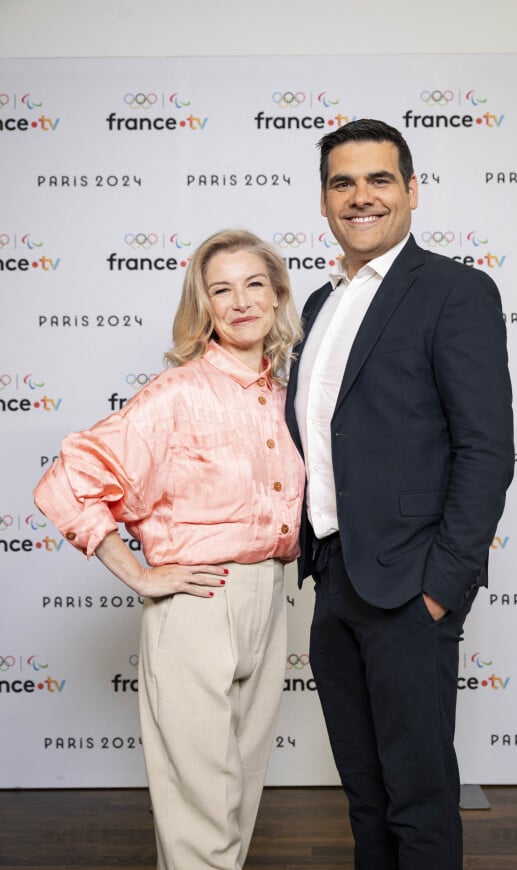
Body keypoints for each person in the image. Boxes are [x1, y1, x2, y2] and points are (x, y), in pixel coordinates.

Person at [34, 228, 305, 870]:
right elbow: (68, 482)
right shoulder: (176, 394)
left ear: (277, 295)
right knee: (199, 806)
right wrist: (139, 573)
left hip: (271, 601)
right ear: (202, 306)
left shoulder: (288, 398)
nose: (240, 301)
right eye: (221, 290)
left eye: (254, 284)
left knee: (235, 794)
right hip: (198, 606)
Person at [285, 119, 514, 870]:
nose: (360, 197)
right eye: (342, 182)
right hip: (335, 578)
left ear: (412, 191)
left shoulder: (455, 291)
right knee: (364, 793)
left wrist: (441, 587)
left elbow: (485, 449)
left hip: (411, 588)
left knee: (417, 797)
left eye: (379, 179)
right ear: (323, 200)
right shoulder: (320, 306)